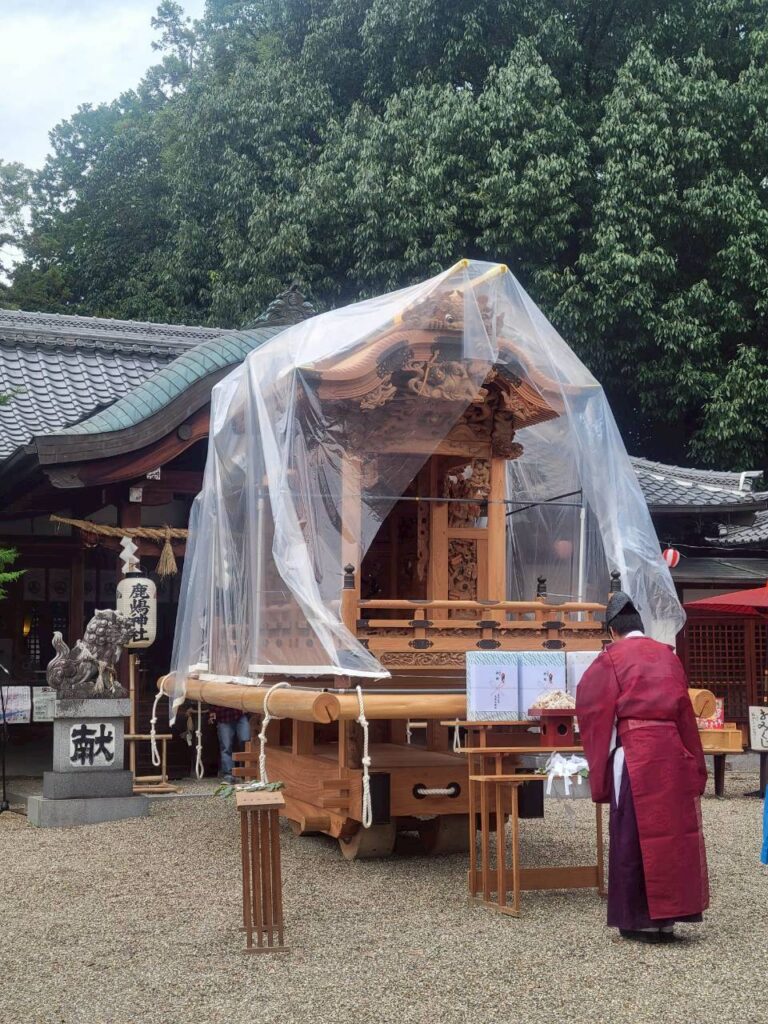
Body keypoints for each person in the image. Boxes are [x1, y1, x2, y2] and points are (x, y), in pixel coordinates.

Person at [576, 591, 709, 944]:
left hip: (635, 752)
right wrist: (696, 766)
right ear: (640, 625)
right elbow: (685, 714)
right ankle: (668, 920)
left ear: (612, 631)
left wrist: (602, 757)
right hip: (673, 751)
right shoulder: (668, 656)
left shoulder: (612, 658)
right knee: (673, 835)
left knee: (633, 835)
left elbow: (590, 705)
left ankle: (641, 922)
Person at [208, 705, 250, 784]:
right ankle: (229, 775)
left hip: (239, 714)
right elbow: (212, 703)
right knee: (226, 747)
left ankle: (246, 772)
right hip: (223, 717)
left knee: (246, 741)